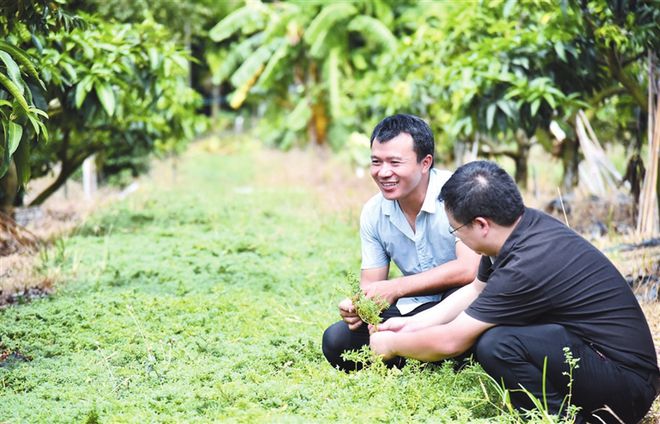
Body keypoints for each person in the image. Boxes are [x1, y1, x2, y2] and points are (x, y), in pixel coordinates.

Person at [369, 160, 659, 423]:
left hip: (628, 386)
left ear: (482, 224)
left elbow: (452, 341)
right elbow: (475, 291)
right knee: (497, 336)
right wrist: (407, 324)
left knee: (497, 344)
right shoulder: (518, 228)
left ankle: (560, 419)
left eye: (455, 230)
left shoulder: (527, 263)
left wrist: (394, 346)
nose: (457, 237)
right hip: (599, 359)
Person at [322, 114, 480, 371]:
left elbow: (469, 269)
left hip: (462, 303)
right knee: (337, 340)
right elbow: (372, 287)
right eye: (376, 162)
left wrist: (397, 287)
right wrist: (360, 307)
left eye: (395, 162)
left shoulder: (457, 193)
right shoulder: (374, 212)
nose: (384, 173)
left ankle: (423, 354)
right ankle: (430, 355)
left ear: (425, 163)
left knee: (465, 310)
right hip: (415, 312)